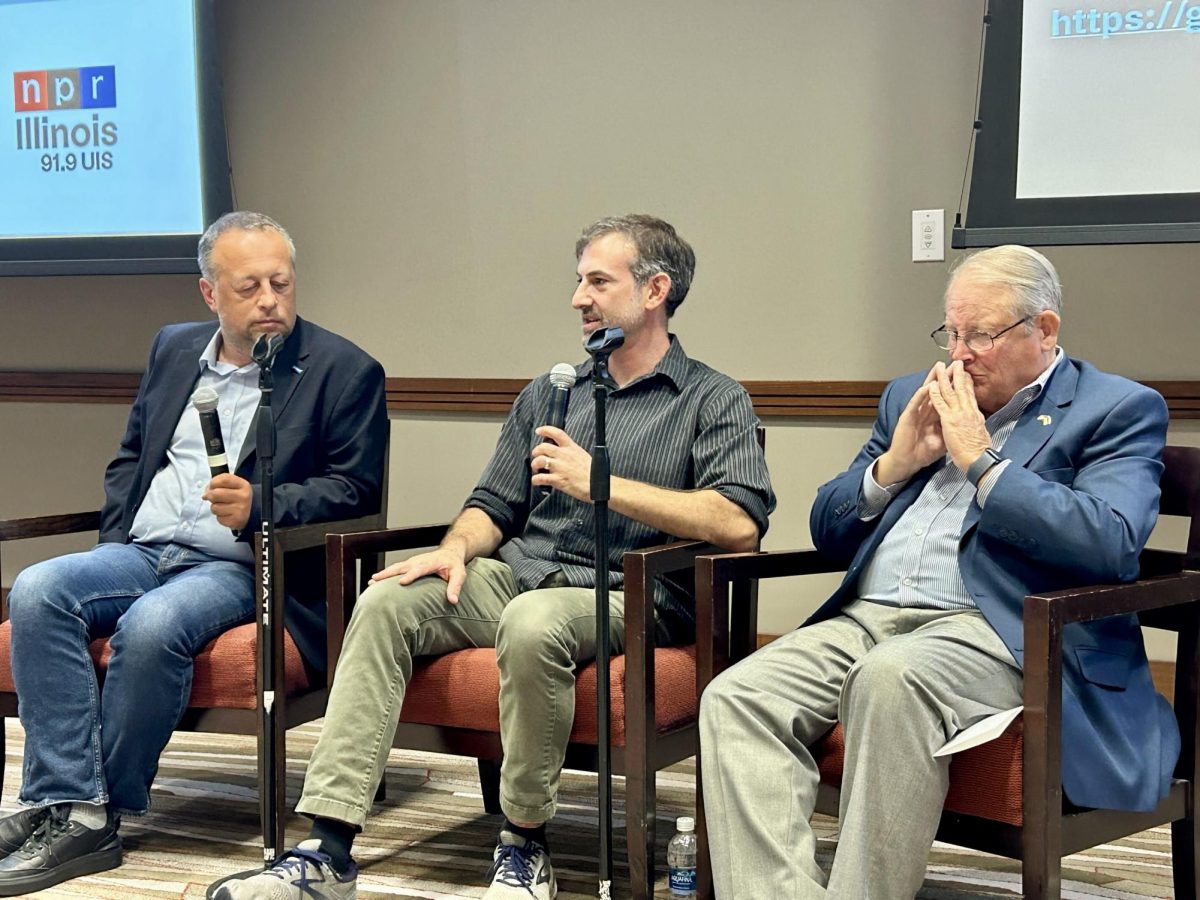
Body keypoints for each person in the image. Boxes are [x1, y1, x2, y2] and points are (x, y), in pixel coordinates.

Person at [210, 214, 775, 900]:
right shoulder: (552, 391)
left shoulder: (712, 398)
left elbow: (739, 522)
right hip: (522, 573)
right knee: (388, 599)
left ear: (656, 290)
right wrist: (451, 551)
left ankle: (523, 843)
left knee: (532, 624)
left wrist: (601, 486)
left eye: (598, 281)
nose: (579, 298)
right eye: (578, 281)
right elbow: (493, 503)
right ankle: (329, 850)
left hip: (634, 590)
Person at [700, 244, 1179, 899]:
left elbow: (1112, 544)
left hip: (997, 628)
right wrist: (892, 464)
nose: (959, 354)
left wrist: (983, 463)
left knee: (890, 680)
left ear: (1044, 330)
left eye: (980, 334)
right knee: (738, 696)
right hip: (869, 617)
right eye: (951, 332)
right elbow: (828, 529)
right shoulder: (911, 396)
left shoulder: (1115, 409)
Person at [0, 211, 389, 896]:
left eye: (281, 283)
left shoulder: (343, 370)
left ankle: (92, 816)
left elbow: (355, 490)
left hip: (244, 567)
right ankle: (61, 800)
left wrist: (262, 506)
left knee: (151, 626)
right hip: (144, 549)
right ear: (210, 293)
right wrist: (116, 541)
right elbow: (131, 458)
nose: (270, 301)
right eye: (249, 287)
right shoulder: (173, 348)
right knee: (37, 587)